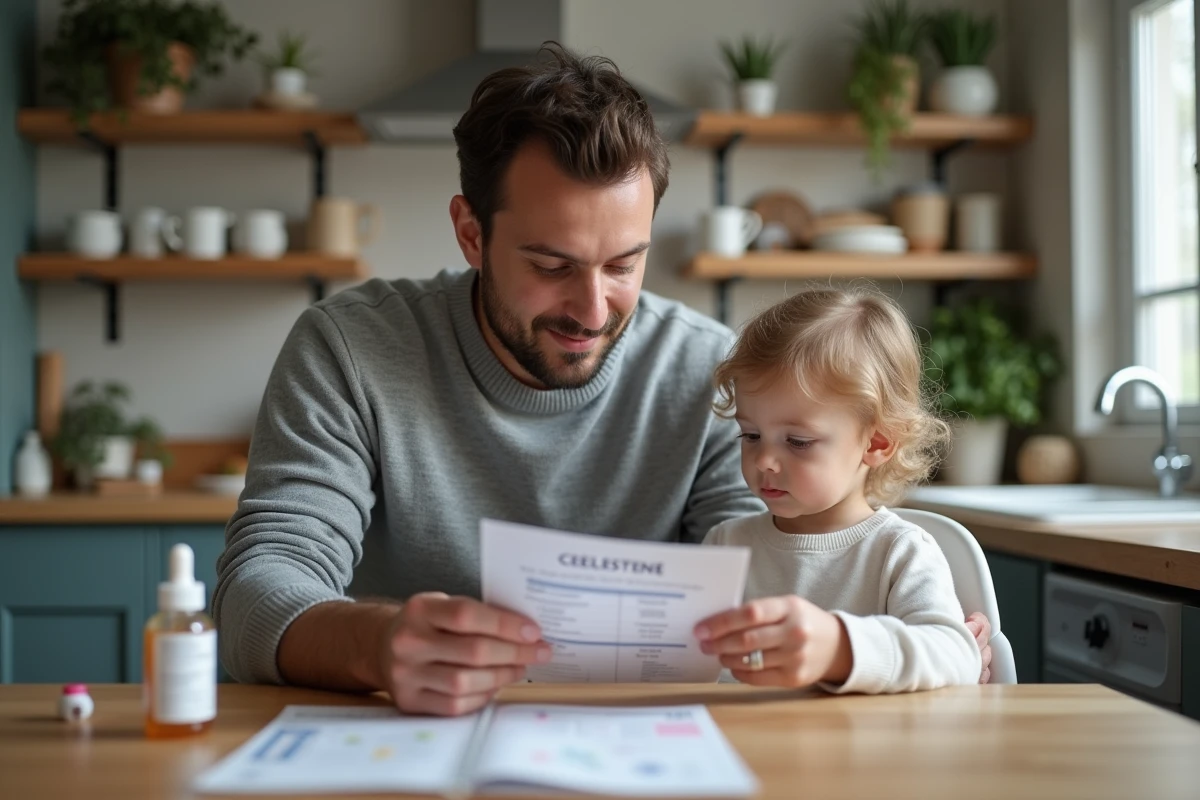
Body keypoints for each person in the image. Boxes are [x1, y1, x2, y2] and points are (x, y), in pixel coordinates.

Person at [212, 44, 993, 717]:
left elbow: (765, 576)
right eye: (552, 265)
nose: (593, 310)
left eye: (624, 265)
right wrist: (376, 643)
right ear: (471, 234)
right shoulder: (349, 348)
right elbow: (258, 591)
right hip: (406, 738)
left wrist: (901, 647)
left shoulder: (713, 374)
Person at [693, 287, 982, 692]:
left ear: (877, 442)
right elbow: (689, 663)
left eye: (797, 442)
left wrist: (840, 650)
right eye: (751, 435)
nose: (764, 461)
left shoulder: (899, 552)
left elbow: (957, 657)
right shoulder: (725, 544)